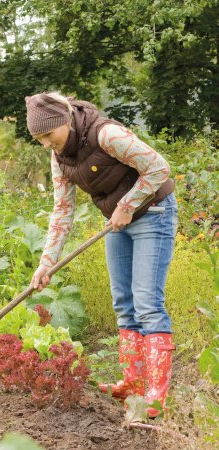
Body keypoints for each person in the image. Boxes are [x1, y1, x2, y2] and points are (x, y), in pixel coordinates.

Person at [25, 92, 178, 417]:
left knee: (148, 303)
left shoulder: (106, 135)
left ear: (63, 121)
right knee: (124, 304)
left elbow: (159, 168)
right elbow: (63, 211)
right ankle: (132, 385)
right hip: (118, 223)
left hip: (154, 212)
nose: (45, 144)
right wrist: (46, 262)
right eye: (39, 139)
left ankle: (155, 396)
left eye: (48, 135)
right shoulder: (59, 158)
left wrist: (126, 204)